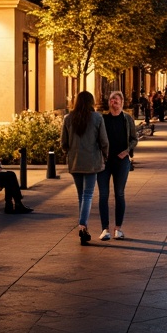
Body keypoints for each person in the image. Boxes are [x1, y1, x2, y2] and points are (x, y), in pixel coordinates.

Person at [62, 91, 109, 245]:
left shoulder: (68, 118)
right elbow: (104, 141)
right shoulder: (97, 117)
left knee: (80, 195)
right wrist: (105, 155)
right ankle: (82, 225)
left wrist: (70, 152)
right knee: (88, 195)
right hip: (91, 162)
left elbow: (64, 143)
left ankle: (85, 228)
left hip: (75, 162)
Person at [97, 91, 137, 240]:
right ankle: (104, 229)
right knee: (103, 195)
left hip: (121, 162)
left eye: (117, 98)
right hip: (104, 162)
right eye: (112, 98)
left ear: (122, 101)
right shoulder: (102, 119)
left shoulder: (127, 119)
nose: (114, 100)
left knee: (119, 193)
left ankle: (118, 228)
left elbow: (134, 138)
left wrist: (126, 151)